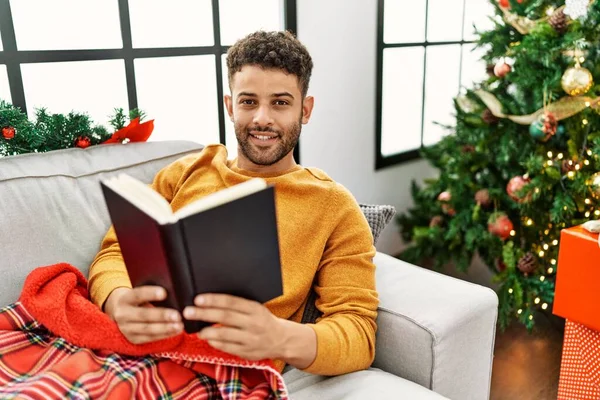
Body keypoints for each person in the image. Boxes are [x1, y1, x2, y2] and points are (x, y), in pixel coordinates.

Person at [88, 30, 378, 376]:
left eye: (281, 103)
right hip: (140, 345)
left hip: (228, 368)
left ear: (306, 109)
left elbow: (359, 333)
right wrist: (118, 300)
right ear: (230, 106)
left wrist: (280, 338)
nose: (262, 119)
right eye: (248, 101)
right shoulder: (186, 171)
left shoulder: (333, 205)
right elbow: (115, 250)